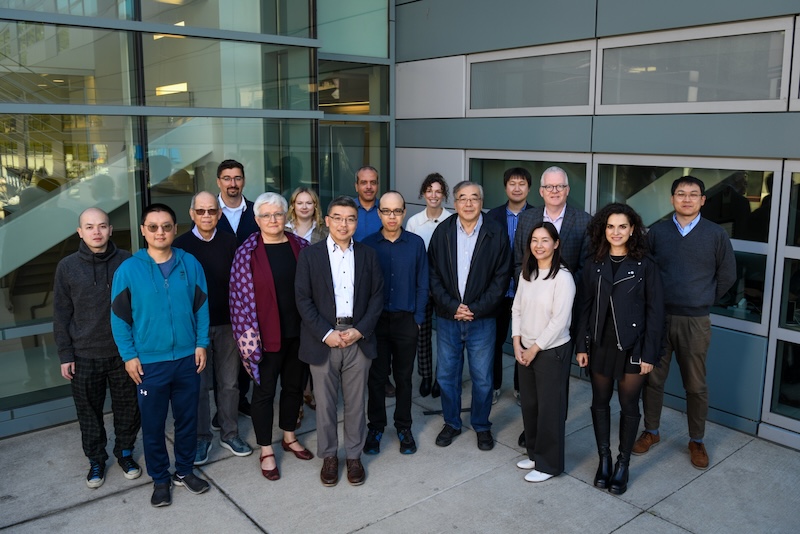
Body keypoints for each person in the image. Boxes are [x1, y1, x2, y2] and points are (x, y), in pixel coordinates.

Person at [111, 203, 210, 507]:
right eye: (152, 227)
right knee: (153, 425)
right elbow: (119, 317)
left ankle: (183, 470)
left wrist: (201, 343)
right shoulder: (128, 269)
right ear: (143, 230)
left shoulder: (190, 263)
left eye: (166, 226)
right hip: (149, 363)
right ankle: (160, 479)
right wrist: (129, 355)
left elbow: (202, 307)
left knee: (187, 420)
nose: (160, 232)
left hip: (186, 359)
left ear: (174, 229)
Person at [634, 176, 736, 470]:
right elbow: (646, 270)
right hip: (659, 319)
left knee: (696, 385)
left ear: (703, 200)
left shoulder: (715, 235)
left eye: (694, 194)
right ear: (672, 199)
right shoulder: (658, 233)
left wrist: (702, 298)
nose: (687, 199)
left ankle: (696, 440)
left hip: (695, 320)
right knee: (653, 379)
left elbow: (727, 275)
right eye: (681, 194)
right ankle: (651, 432)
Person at [575, 204, 664, 494]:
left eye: (622, 226)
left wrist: (650, 354)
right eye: (610, 226)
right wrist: (581, 345)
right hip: (600, 344)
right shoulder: (593, 263)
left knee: (628, 406)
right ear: (603, 229)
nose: (616, 232)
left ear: (633, 229)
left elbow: (655, 313)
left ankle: (623, 464)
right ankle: (604, 459)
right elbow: (584, 308)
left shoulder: (646, 265)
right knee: (599, 402)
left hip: (633, 347)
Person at [295, 196, 383, 487]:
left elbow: (377, 297)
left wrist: (360, 330)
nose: (344, 224)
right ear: (327, 220)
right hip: (324, 339)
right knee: (325, 404)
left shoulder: (369, 255)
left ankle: (354, 456)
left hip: (358, 338)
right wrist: (326, 333)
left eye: (350, 218)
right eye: (338, 217)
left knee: (357, 404)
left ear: (356, 222)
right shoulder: (310, 255)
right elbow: (303, 299)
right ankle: (330, 456)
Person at [53, 207, 141, 489]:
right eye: (89, 227)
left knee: (128, 408)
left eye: (102, 226)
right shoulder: (67, 267)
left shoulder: (127, 261)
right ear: (80, 232)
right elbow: (61, 313)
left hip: (122, 354)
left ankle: (125, 453)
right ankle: (96, 460)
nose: (96, 232)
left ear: (111, 229)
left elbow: (139, 307)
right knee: (88, 413)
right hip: (84, 354)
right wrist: (65, 354)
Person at [229, 193, 314, 481]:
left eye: (277, 214)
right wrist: (248, 341)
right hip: (264, 339)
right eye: (266, 215)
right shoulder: (246, 253)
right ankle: (266, 448)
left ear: (285, 216)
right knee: (264, 395)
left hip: (299, 334)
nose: (272, 220)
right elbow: (237, 301)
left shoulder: (301, 247)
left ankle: (289, 436)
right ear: (257, 220)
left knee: (293, 388)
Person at [428, 181, 511, 451]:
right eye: (462, 198)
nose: (468, 203)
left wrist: (476, 308)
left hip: (483, 320)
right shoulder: (442, 232)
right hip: (448, 318)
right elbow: (433, 276)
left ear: (481, 201)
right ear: (454, 201)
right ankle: (451, 423)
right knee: (447, 377)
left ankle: (481, 425)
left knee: (483, 378)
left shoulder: (495, 232)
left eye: (474, 198)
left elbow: (502, 277)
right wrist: (453, 306)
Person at [173, 192, 253, 466]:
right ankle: (202, 437)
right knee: (198, 386)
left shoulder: (230, 242)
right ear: (192, 213)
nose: (207, 216)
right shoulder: (180, 246)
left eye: (212, 211)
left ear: (219, 214)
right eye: (201, 211)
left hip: (228, 324)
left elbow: (241, 283)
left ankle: (230, 433)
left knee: (229, 383)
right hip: (195, 329)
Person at [514, 166, 592, 447]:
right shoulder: (528, 220)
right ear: (541, 191)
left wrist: (560, 291)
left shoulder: (584, 221)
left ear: (568, 190)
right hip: (531, 310)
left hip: (563, 312)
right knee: (530, 382)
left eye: (560, 187)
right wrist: (532, 290)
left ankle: (552, 429)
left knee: (555, 384)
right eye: (549, 187)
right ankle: (533, 428)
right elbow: (518, 261)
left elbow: (586, 266)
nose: (555, 191)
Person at [362, 191, 429, 455]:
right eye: (386, 211)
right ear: (379, 213)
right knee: (376, 379)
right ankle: (376, 428)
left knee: (403, 378)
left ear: (404, 213)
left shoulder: (415, 244)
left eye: (397, 211)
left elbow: (423, 284)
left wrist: (419, 320)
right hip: (376, 323)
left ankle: (404, 427)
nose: (392, 216)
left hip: (406, 322)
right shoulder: (367, 245)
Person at [512, 222, 576, 483]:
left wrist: (535, 348)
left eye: (545, 240)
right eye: (534, 240)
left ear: (556, 243)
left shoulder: (563, 277)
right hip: (525, 348)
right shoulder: (528, 274)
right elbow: (516, 308)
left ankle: (549, 465)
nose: (539, 245)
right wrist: (517, 343)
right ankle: (535, 454)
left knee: (550, 408)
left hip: (551, 351)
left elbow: (559, 321)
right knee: (530, 405)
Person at [486, 167, 534, 405]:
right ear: (505, 187)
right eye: (512, 183)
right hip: (498, 291)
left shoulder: (537, 215)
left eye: (522, 183)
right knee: (494, 340)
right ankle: (494, 384)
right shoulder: (492, 216)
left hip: (526, 292)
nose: (517, 188)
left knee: (524, 341)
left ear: (529, 188)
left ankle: (520, 387)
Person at [214, 159, 258, 418]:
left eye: (237, 178)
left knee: (247, 348)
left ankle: (241, 398)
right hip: (218, 294)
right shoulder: (208, 211)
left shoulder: (256, 211)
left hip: (250, 297)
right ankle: (222, 408)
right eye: (227, 178)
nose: (233, 183)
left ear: (243, 180)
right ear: (219, 181)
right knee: (221, 355)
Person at [405, 172, 452, 398]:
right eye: (429, 190)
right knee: (422, 334)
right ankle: (425, 376)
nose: (433, 195)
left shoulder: (452, 219)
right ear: (423, 193)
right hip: (421, 286)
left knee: (445, 335)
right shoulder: (414, 222)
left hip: (445, 287)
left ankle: (440, 378)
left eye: (438, 191)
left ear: (444, 195)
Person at [285, 186, 329, 419]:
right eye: (300, 202)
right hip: (288, 296)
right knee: (295, 351)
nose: (304, 206)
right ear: (293, 205)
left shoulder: (323, 231)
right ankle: (297, 399)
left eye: (309, 202)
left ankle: (309, 391)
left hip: (316, 296)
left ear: (315, 206)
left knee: (314, 345)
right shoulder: (283, 229)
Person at [352, 165, 382, 242]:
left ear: (377, 186)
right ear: (356, 186)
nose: (369, 187)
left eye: (373, 182)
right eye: (364, 183)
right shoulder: (347, 209)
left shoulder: (386, 210)